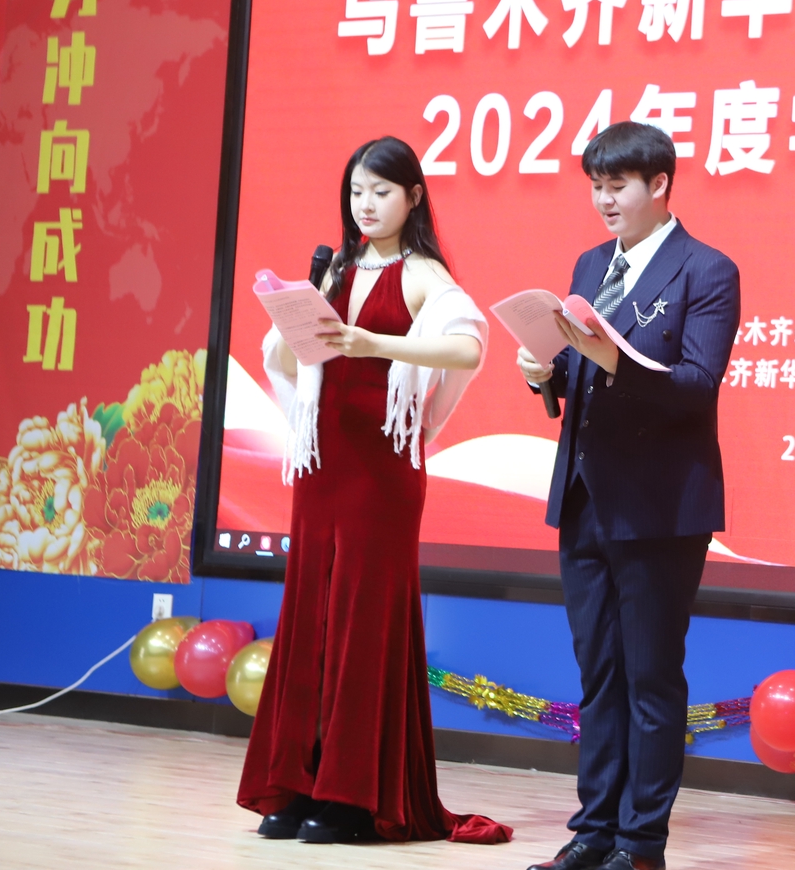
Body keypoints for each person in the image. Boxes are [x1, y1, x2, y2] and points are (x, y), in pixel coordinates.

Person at [238, 136, 510, 845]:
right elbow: (293, 361)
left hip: (380, 470)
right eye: (357, 190)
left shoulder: (421, 273)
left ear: (413, 197)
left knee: (361, 625)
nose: (366, 204)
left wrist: (375, 344)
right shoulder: (336, 268)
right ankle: (299, 784)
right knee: (312, 619)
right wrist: (289, 329)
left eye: (381, 191)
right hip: (322, 464)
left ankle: (355, 798)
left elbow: (470, 345)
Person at [518, 122, 740, 870]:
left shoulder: (706, 270)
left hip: (659, 506)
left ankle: (641, 844)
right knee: (599, 675)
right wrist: (546, 373)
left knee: (650, 677)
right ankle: (594, 832)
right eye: (596, 187)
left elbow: (697, 387)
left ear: (660, 184)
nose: (604, 200)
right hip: (584, 496)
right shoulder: (591, 263)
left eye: (617, 186)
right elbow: (579, 375)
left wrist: (611, 358)